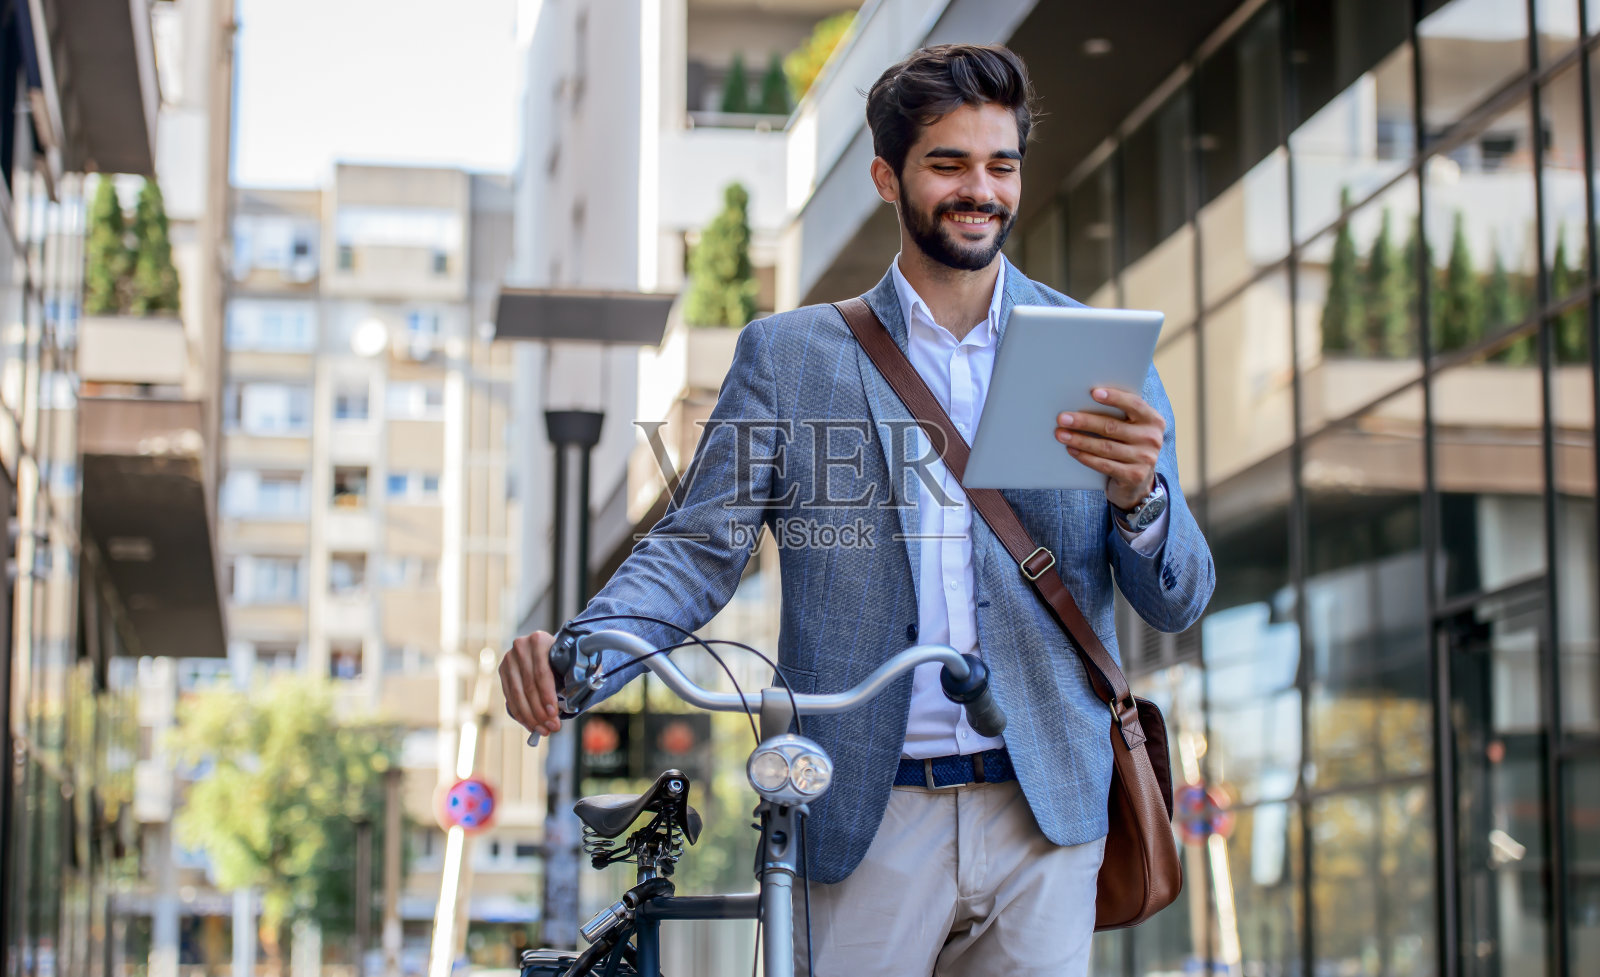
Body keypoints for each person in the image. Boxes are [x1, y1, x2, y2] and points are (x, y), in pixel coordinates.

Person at [501, 43, 1214, 976]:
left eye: (1000, 164)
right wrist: (582, 652)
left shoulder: (1091, 348)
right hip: (861, 812)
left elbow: (1179, 597)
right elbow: (696, 549)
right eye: (948, 164)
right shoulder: (791, 356)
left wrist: (1139, 497)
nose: (981, 189)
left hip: (1049, 810)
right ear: (888, 176)